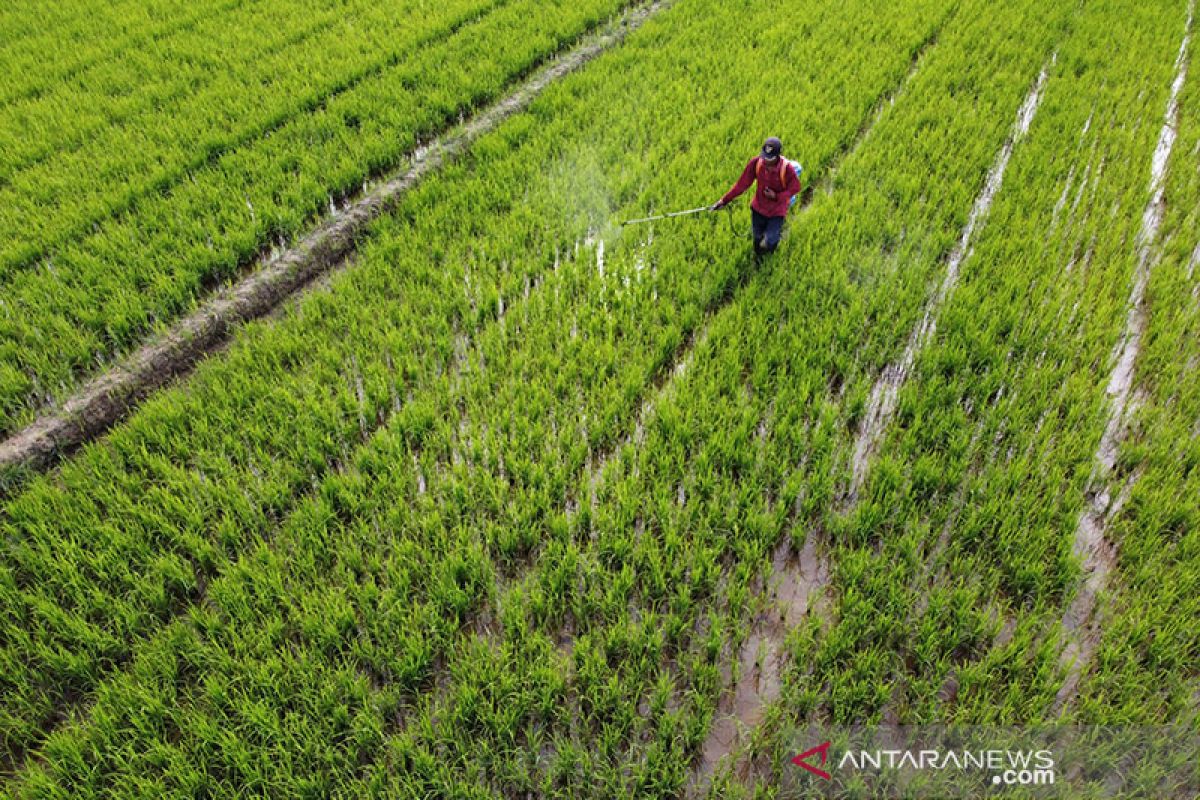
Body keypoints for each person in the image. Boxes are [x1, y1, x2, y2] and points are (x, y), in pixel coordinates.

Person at [711, 136, 802, 255]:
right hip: (758, 208)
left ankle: (770, 257)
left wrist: (776, 196)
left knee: (771, 240)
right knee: (757, 237)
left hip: (777, 211)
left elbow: (795, 188)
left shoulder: (786, 169)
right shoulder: (757, 163)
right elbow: (741, 184)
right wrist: (724, 201)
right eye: (765, 157)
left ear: (778, 155)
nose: (766, 161)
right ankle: (757, 258)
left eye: (771, 158)